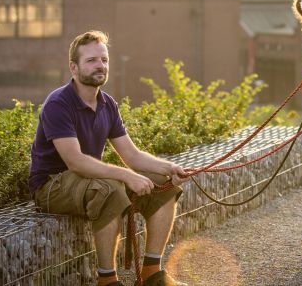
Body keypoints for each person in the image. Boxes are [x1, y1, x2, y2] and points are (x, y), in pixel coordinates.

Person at [29, 30, 189, 286]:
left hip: (86, 181)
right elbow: (75, 162)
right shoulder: (58, 103)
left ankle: (151, 274)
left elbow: (132, 156)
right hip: (52, 185)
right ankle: (107, 281)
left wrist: (170, 167)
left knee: (163, 182)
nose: (100, 65)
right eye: (91, 60)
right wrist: (127, 176)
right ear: (73, 67)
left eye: (104, 59)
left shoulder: (108, 104)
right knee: (110, 188)